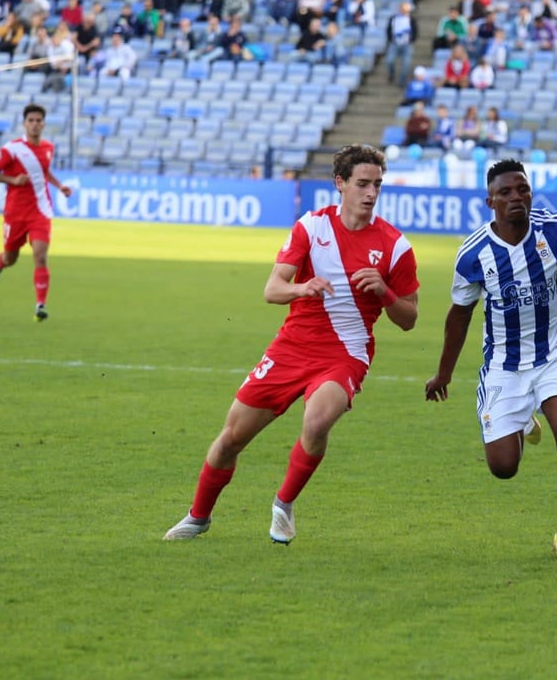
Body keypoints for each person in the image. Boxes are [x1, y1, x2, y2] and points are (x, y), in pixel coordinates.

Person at [164, 145, 420, 543]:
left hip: (345, 354)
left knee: (317, 422)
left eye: (377, 185)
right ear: (340, 184)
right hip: (292, 347)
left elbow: (410, 319)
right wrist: (304, 287)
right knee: (232, 438)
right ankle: (198, 516)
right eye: (363, 184)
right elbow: (272, 289)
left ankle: (283, 505)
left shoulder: (395, 246)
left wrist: (385, 293)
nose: (371, 193)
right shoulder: (311, 228)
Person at [423, 154, 557, 562]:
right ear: (491, 202)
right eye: (505, 192)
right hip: (505, 367)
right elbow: (459, 317)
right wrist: (443, 374)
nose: (515, 197)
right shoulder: (473, 254)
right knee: (504, 468)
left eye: (522, 188)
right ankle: (525, 420)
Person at [0, 104, 73, 322]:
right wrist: (13, 180)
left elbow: (43, 171)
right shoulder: (12, 149)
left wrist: (59, 185)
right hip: (15, 213)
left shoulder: (48, 147)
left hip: (40, 211)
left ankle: (40, 305)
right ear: (24, 123)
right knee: (10, 257)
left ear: (43, 124)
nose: (35, 124)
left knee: (40, 256)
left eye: (38, 120)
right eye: (31, 120)